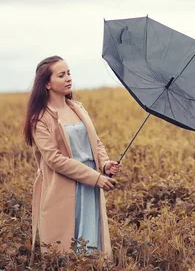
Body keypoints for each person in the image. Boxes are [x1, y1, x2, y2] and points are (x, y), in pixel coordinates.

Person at [23, 55, 120, 261]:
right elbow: (54, 160)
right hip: (65, 185)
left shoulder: (77, 108)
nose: (68, 78)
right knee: (66, 248)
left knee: (92, 244)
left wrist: (104, 163)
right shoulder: (40, 119)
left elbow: (95, 142)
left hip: (90, 184)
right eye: (61, 75)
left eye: (69, 73)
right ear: (47, 83)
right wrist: (95, 177)